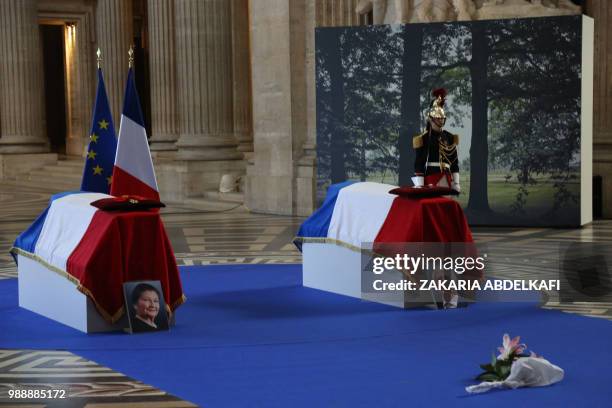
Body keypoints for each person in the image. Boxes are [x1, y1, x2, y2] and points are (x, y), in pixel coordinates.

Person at [412, 88, 461, 193]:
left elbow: (454, 163)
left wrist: (456, 183)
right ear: (431, 119)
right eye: (438, 118)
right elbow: (419, 164)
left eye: (442, 118)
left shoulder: (450, 137)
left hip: (447, 180)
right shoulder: (423, 139)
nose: (440, 120)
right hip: (430, 179)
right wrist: (420, 186)